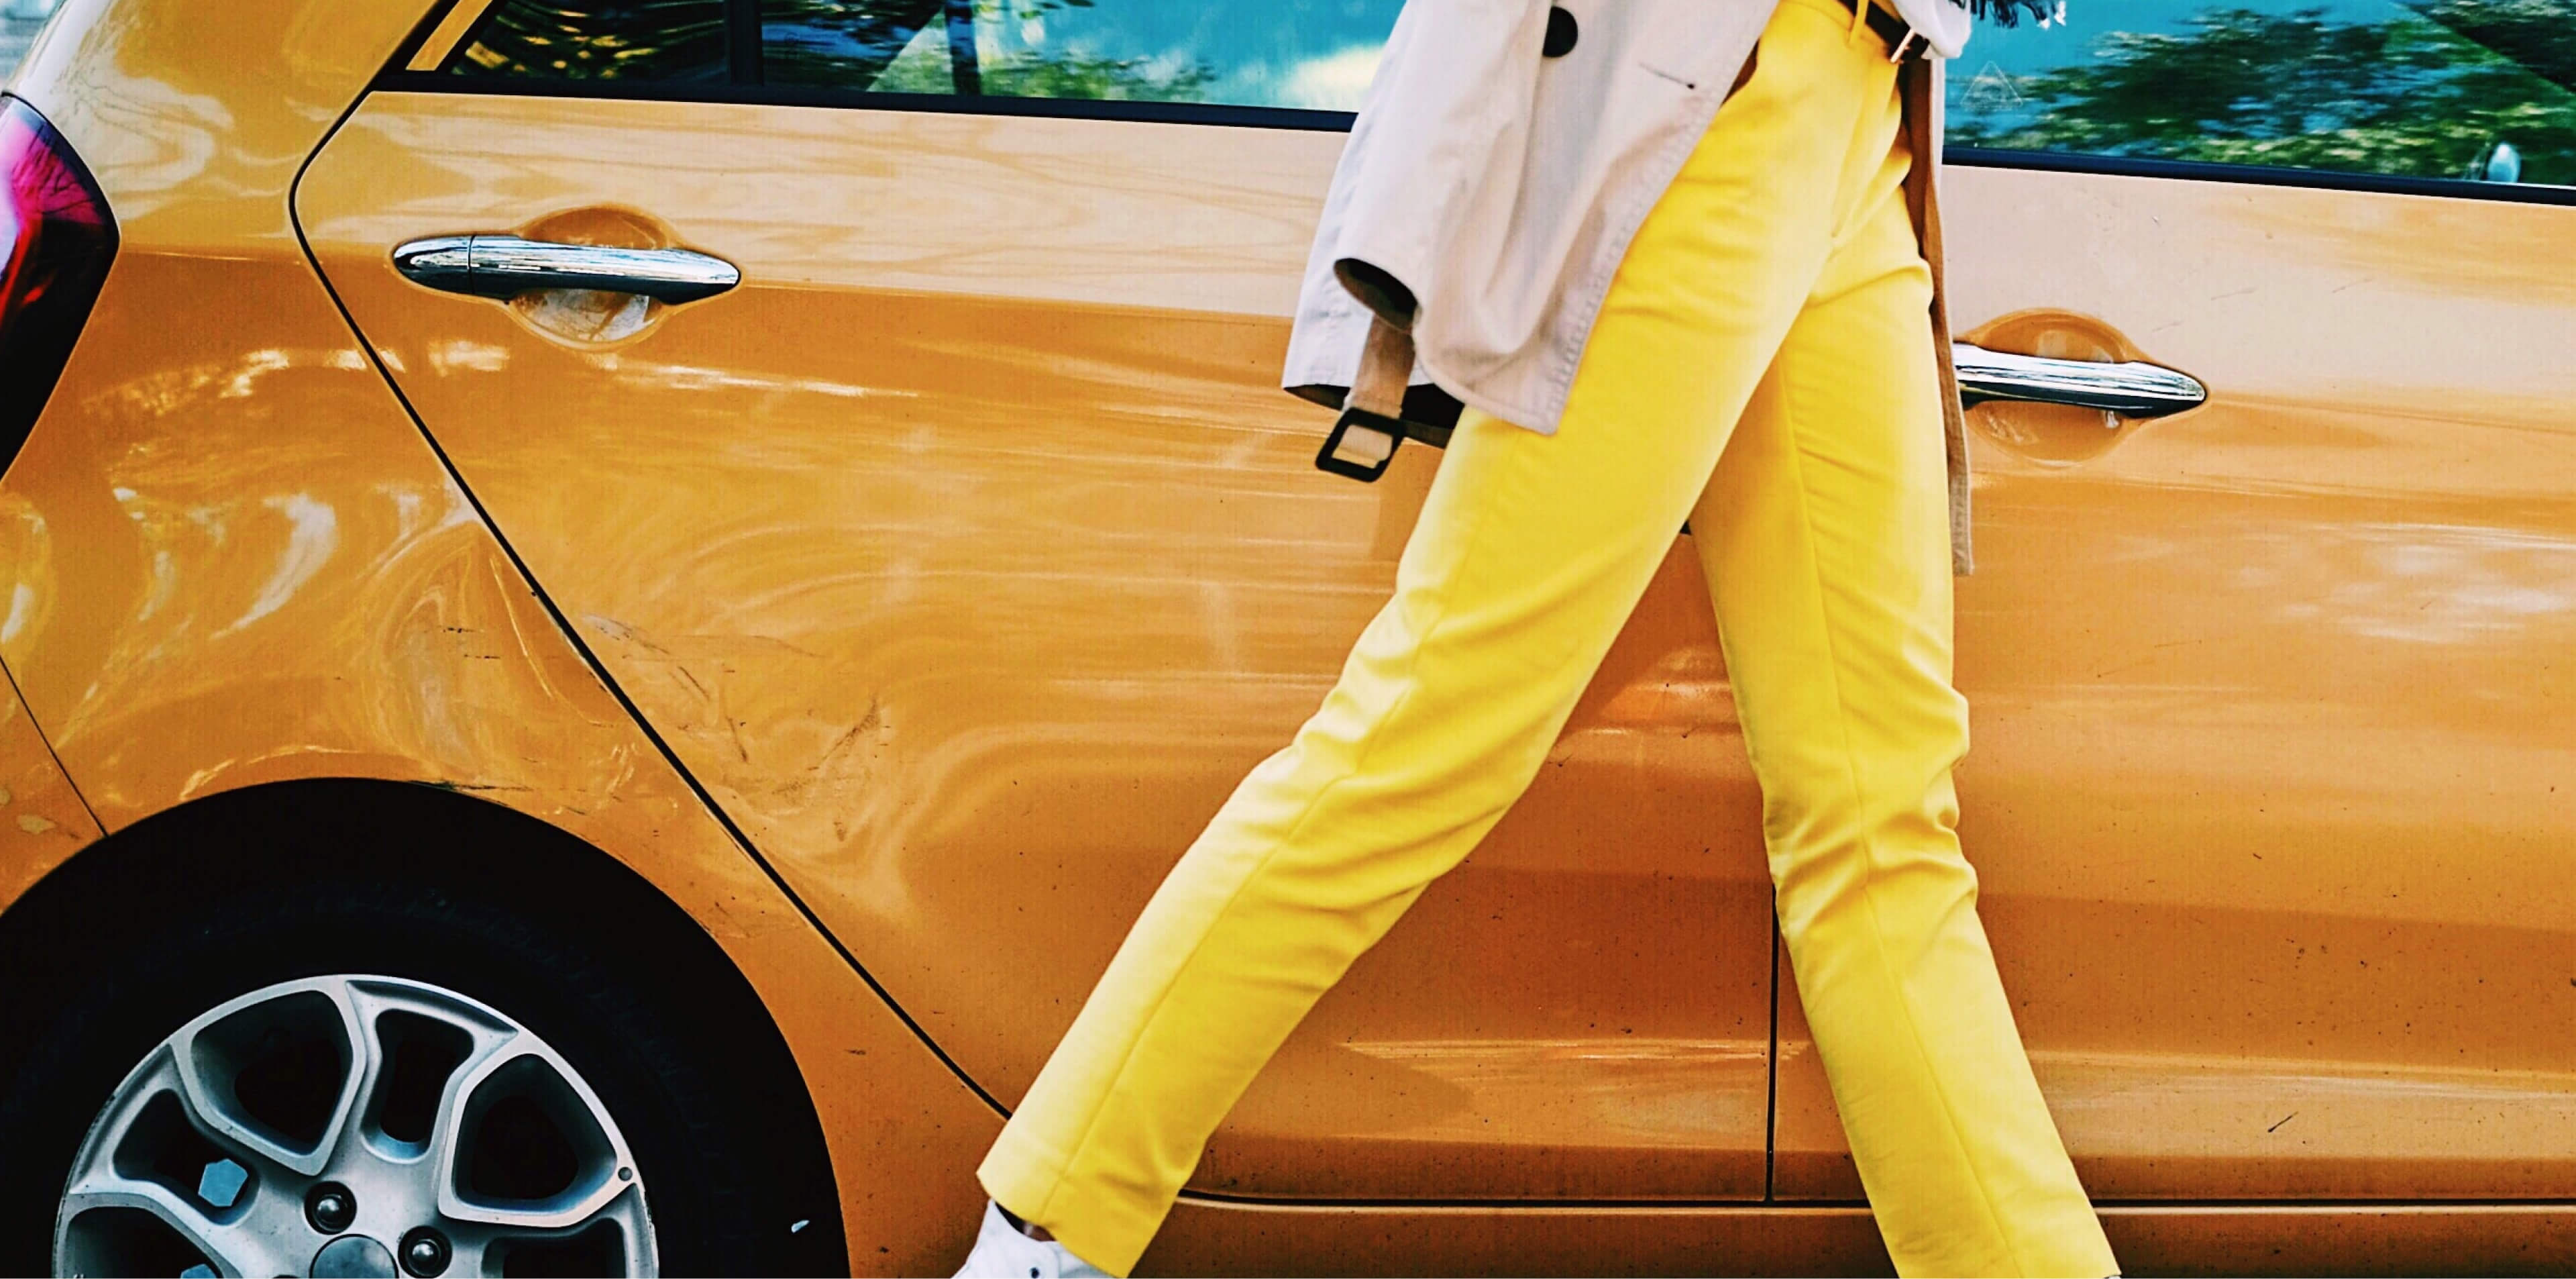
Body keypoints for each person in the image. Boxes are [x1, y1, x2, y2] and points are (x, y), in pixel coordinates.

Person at [957, 0, 2118, 1275]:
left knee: (1880, 814)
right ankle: (1045, 1235)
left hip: (1867, 109)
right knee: (1433, 728)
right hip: (1716, 98)